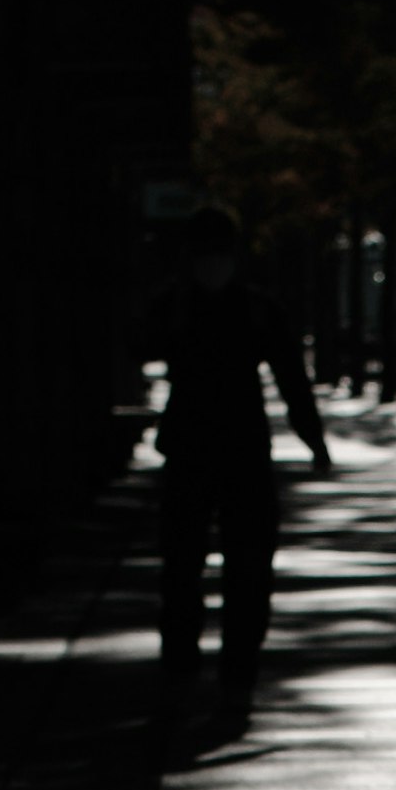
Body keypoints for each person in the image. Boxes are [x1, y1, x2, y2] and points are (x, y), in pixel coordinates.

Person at [143, 208, 331, 736]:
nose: (212, 265)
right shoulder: (188, 307)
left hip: (233, 455)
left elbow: (293, 379)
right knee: (188, 574)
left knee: (235, 575)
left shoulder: (252, 310)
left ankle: (229, 681)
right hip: (205, 454)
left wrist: (313, 438)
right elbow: (292, 378)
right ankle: (192, 675)